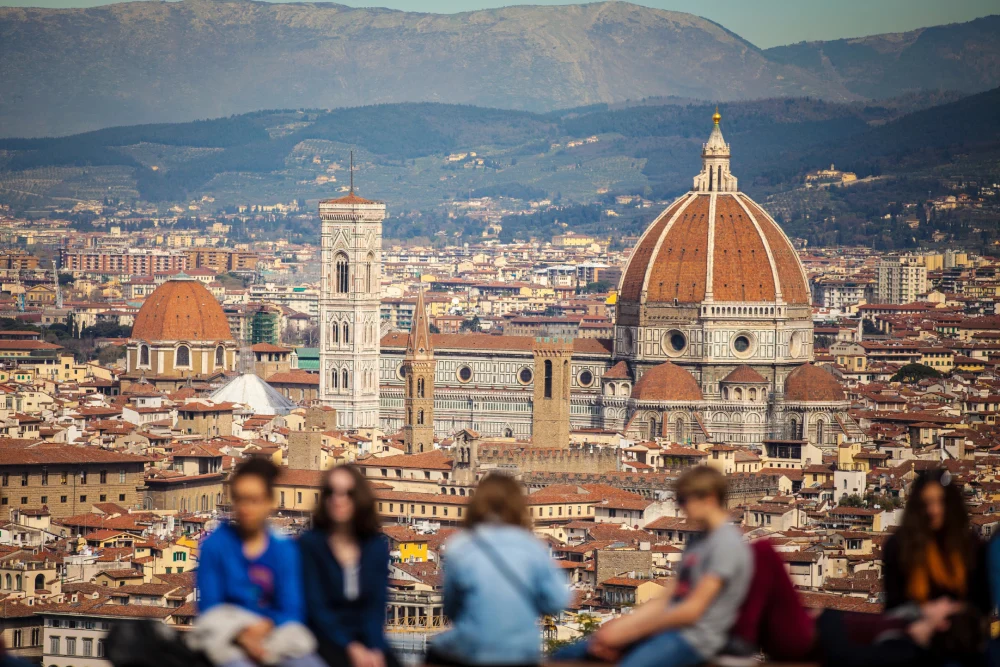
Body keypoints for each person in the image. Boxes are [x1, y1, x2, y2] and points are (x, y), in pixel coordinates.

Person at [555, 466, 751, 667]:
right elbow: (666, 598)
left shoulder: (726, 545)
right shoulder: (697, 543)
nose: (680, 507)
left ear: (709, 498)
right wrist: (614, 630)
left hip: (696, 639)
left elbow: (693, 610)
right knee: (565, 657)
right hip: (667, 631)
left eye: (684, 500)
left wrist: (630, 632)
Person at [193, 458, 324, 667]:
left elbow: (292, 608)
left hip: (276, 634)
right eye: (240, 499)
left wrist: (262, 629)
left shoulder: (284, 549)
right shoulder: (215, 546)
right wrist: (243, 636)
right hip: (228, 636)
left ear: (269, 502)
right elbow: (209, 606)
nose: (246, 508)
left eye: (254, 500)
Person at [427, 474, 570, 667]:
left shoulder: (460, 546)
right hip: (523, 652)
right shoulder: (532, 546)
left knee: (433, 651)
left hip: (473, 650)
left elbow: (451, 606)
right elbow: (557, 600)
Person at [299, 465, 399, 667]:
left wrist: (375, 648)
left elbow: (375, 607)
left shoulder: (375, 548)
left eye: (348, 493)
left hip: (365, 638)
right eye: (331, 492)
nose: (339, 499)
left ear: (360, 498)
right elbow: (316, 608)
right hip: (322, 638)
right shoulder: (310, 545)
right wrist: (351, 647)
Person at [883, 468, 989, 614]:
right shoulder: (899, 546)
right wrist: (924, 614)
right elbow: (893, 606)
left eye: (941, 502)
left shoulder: (971, 546)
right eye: (926, 503)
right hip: (913, 630)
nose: (933, 510)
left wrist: (951, 612)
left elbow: (982, 604)